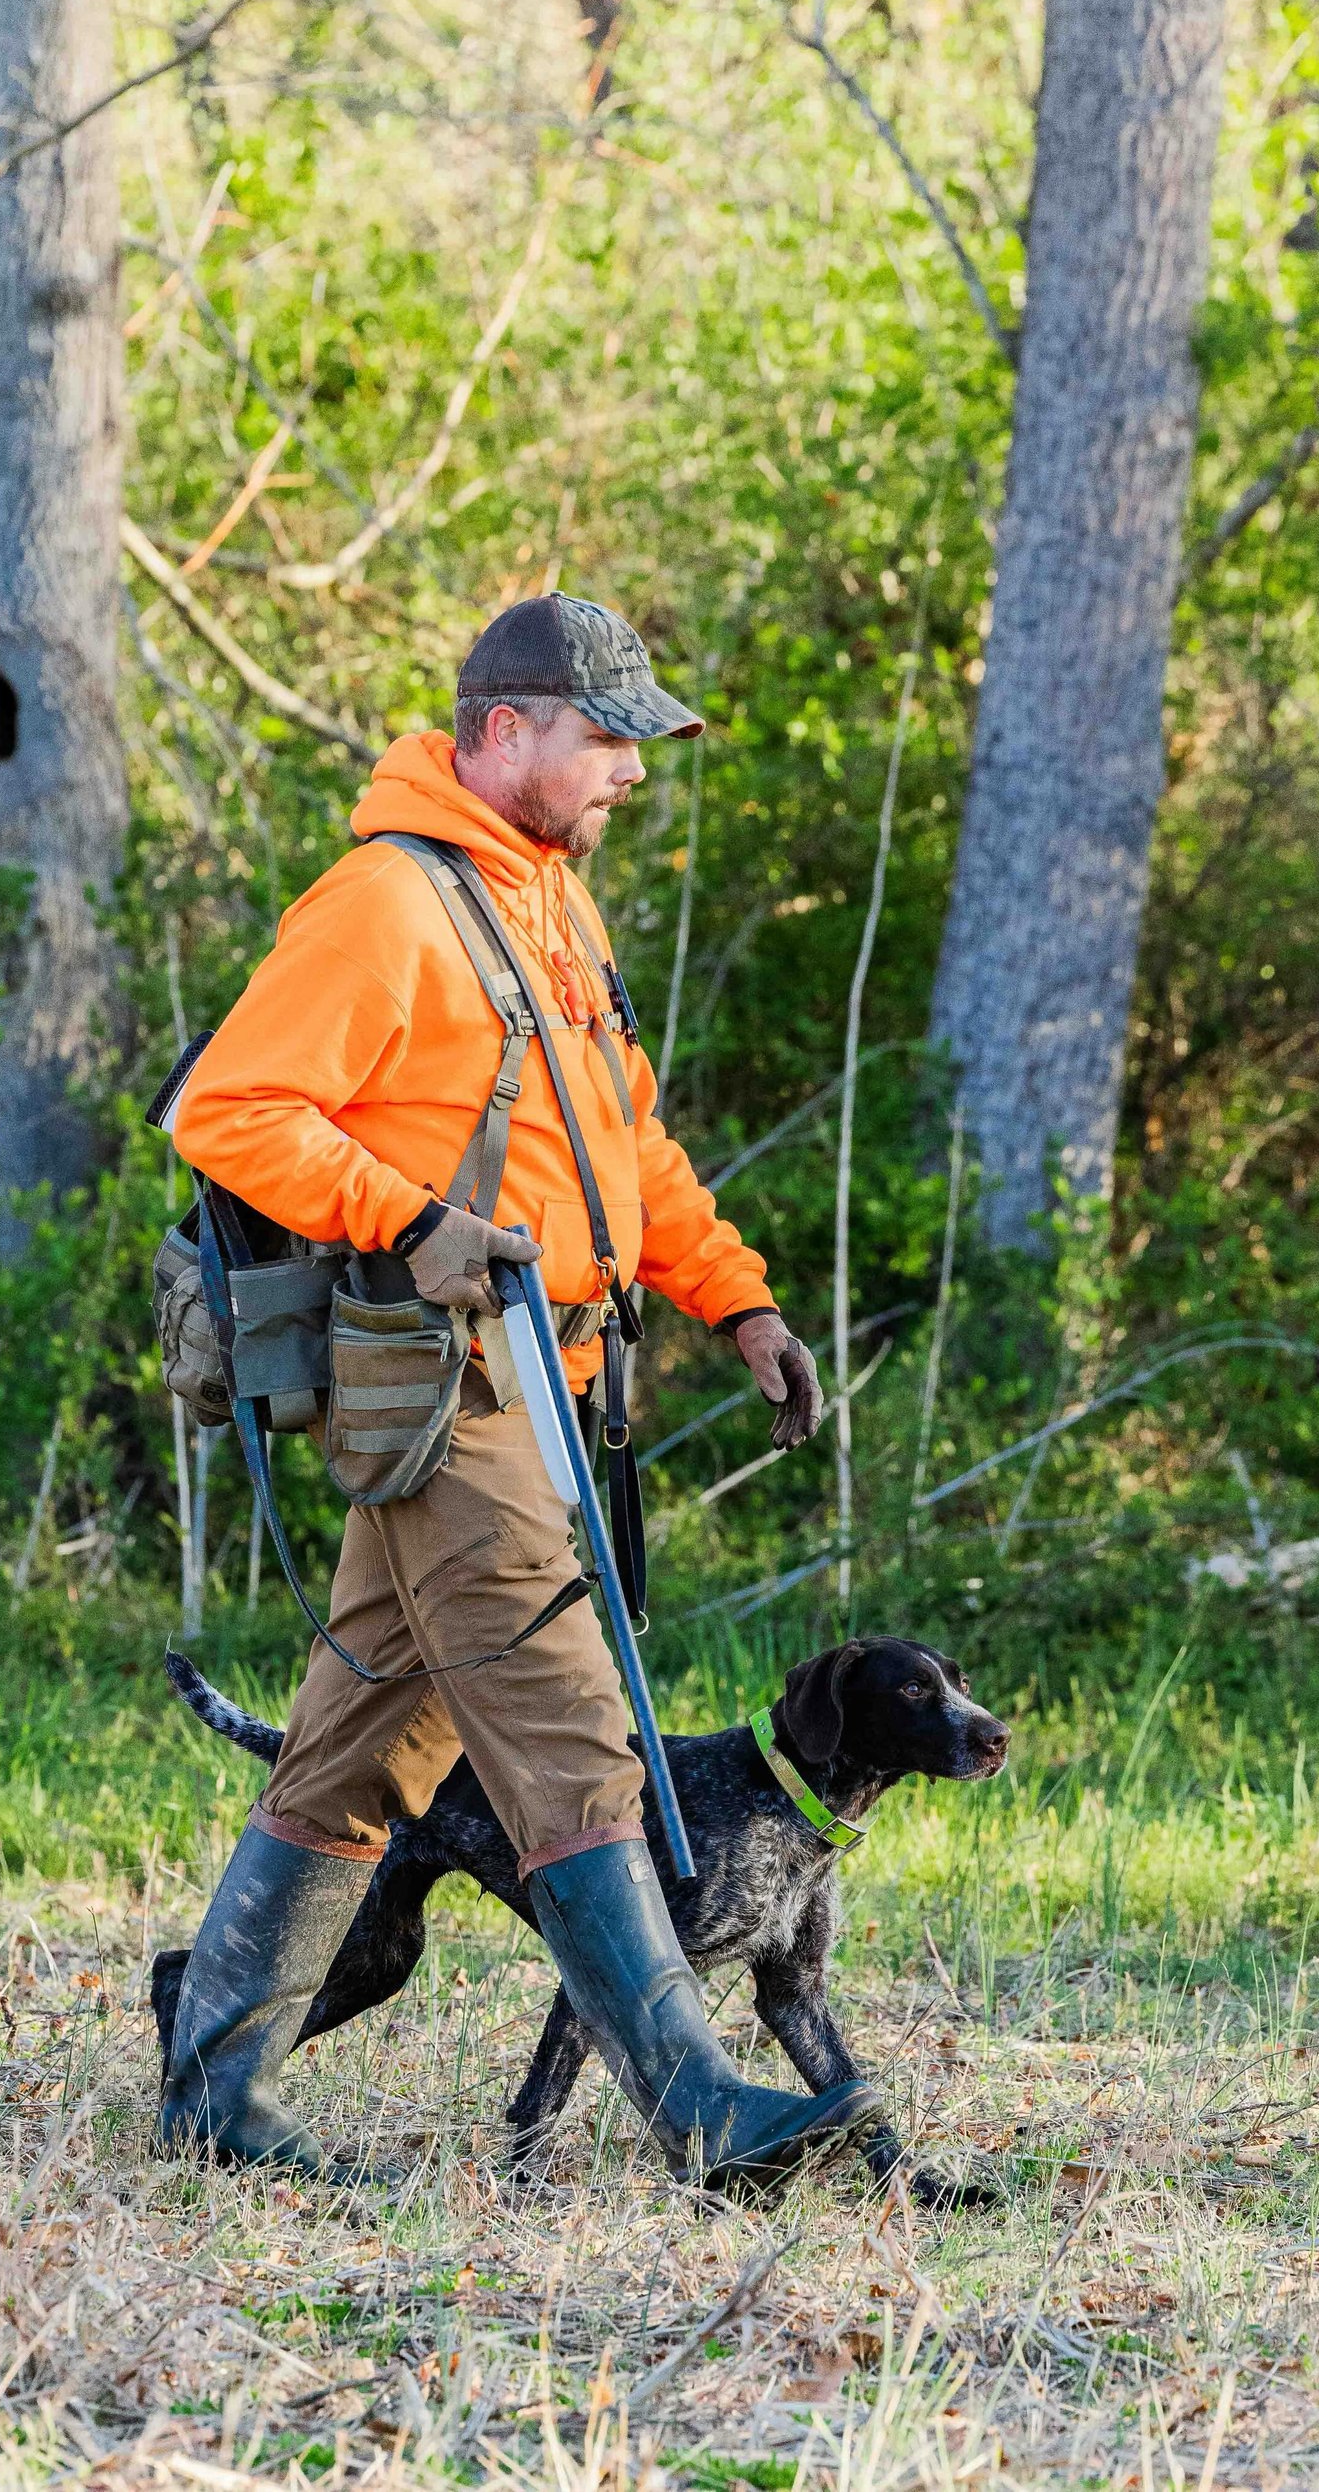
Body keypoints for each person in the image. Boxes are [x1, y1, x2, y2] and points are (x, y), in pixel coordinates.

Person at [159, 593, 874, 2187]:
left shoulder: (550, 907)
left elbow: (624, 1152)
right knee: (573, 1731)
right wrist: (412, 1223)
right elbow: (230, 1110)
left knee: (357, 1753)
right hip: (448, 1390)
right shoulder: (386, 905)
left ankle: (210, 2095)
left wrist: (736, 1297)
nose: (631, 768)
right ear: (503, 732)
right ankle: (703, 2110)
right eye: (605, 736)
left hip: (547, 1385)